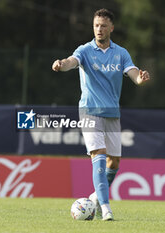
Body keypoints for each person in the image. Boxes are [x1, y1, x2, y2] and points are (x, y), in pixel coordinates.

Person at [52, 8, 150, 221]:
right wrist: (62, 64)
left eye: (103, 26)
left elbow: (133, 73)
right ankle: (105, 208)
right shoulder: (85, 50)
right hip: (89, 111)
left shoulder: (121, 53)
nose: (99, 29)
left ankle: (96, 196)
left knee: (114, 163)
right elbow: (72, 61)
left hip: (112, 113)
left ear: (111, 28)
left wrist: (140, 78)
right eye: (96, 25)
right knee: (99, 155)